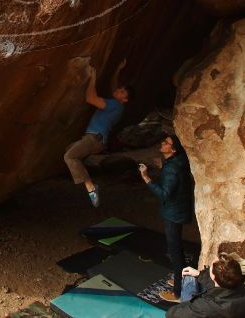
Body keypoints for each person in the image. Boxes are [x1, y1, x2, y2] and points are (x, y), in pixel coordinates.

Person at [63, 59, 129, 207]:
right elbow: (114, 87)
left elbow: (90, 98)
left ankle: (91, 187)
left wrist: (93, 78)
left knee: (69, 156)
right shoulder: (118, 106)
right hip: (96, 140)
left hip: (94, 139)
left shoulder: (114, 105)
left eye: (122, 92)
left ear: (124, 99)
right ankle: (86, 168)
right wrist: (118, 70)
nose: (118, 90)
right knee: (69, 149)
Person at [139, 134, 194, 302]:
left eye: (166, 142)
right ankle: (182, 279)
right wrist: (163, 164)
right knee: (177, 248)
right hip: (179, 210)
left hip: (173, 213)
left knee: (175, 251)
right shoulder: (179, 160)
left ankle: (179, 293)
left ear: (173, 149)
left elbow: (164, 194)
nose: (162, 143)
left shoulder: (171, 168)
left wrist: (146, 177)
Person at [166, 255, 245, 317]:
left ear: (213, 276)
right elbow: (223, 286)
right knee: (191, 278)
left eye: (209, 268)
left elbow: (170, 314)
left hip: (203, 309)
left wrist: (191, 304)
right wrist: (199, 274)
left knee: (189, 280)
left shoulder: (205, 307)